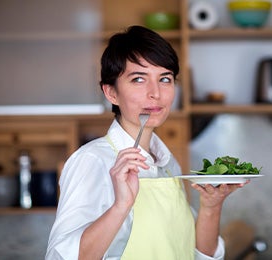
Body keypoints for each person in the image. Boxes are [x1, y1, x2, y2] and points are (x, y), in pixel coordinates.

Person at [46, 25, 247, 260]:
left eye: (165, 79)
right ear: (111, 93)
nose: (155, 93)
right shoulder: (92, 161)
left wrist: (212, 207)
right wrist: (121, 206)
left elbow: (195, 253)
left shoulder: (167, 164)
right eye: (138, 79)